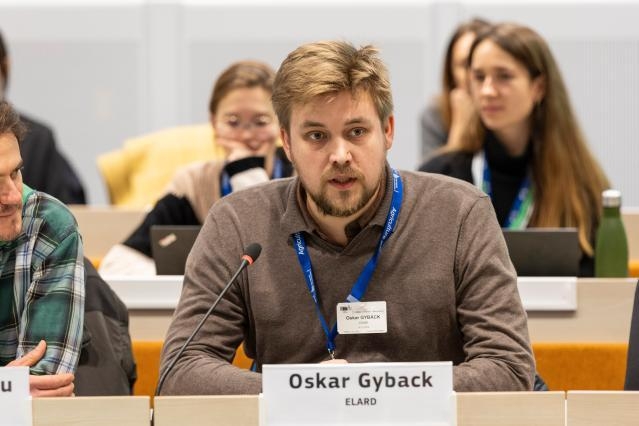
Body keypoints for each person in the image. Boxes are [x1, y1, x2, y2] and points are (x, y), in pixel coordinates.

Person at [158, 40, 535, 395]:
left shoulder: (459, 213)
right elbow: (181, 369)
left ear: (387, 131)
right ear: (287, 142)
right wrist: (306, 392)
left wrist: (369, 391)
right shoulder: (239, 221)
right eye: (317, 136)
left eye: (356, 132)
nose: (340, 155)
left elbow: (509, 367)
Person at [420, 22, 610, 277]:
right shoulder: (440, 176)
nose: (487, 90)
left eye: (504, 76)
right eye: (479, 77)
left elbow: (597, 288)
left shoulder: (580, 185)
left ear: (538, 87)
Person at [98, 60, 294, 275]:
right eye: (233, 121)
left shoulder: (300, 177)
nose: (246, 135)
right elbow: (117, 265)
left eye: (261, 121)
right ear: (213, 123)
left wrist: (245, 169)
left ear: (280, 124)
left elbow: (276, 260)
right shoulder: (192, 184)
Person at [0, 100, 84, 396]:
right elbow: (15, 392)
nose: (12, 197)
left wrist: (8, 392)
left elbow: (42, 383)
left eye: (15, 173)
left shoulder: (49, 226)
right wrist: (5, 389)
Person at [0, 29, 87, 204]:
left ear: (5, 66)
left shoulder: (38, 140)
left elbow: (65, 212)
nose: (13, 197)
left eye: (16, 172)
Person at [420, 18, 490, 160]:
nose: (473, 74)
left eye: (480, 64)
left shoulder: (506, 109)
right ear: (451, 72)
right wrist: (458, 133)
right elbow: (430, 180)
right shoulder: (435, 113)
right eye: (465, 64)